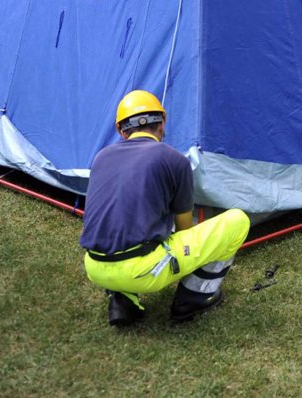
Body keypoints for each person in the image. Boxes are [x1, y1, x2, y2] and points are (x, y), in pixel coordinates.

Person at [80, 90, 250, 326]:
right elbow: (183, 230)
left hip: (95, 266)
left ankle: (122, 299)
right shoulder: (174, 160)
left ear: (121, 130)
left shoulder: (101, 157)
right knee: (237, 220)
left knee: (123, 229)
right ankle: (193, 298)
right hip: (142, 271)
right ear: (162, 124)